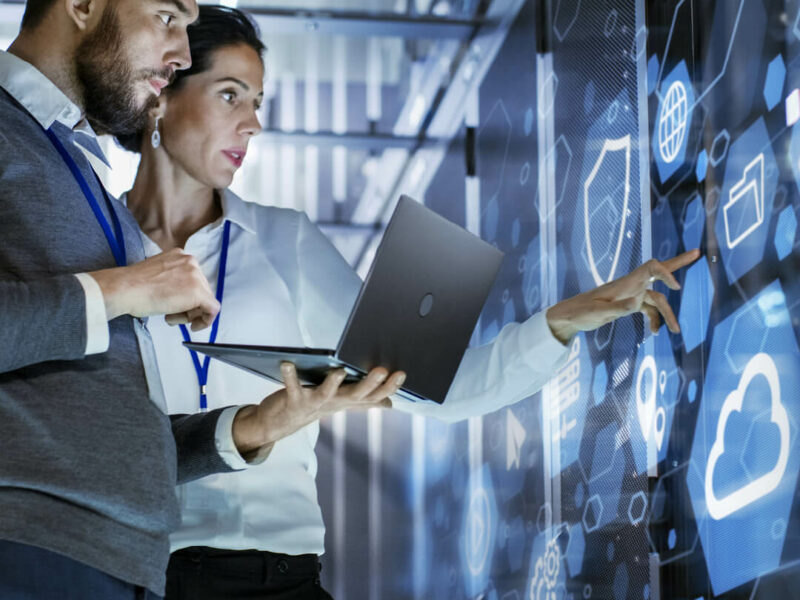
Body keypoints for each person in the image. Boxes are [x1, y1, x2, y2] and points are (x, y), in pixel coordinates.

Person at [116, 6, 700, 599]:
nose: (252, 125)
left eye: (257, 103)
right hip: (133, 577)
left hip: (280, 580)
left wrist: (568, 319)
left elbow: (437, 390)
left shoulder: (283, 241)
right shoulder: (95, 254)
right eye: (231, 96)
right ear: (161, 93)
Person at [0, 1, 401, 598]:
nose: (182, 53)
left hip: (119, 563)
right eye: (167, 16)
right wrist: (126, 288)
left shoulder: (79, 172)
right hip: (36, 546)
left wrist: (251, 428)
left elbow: (106, 429)